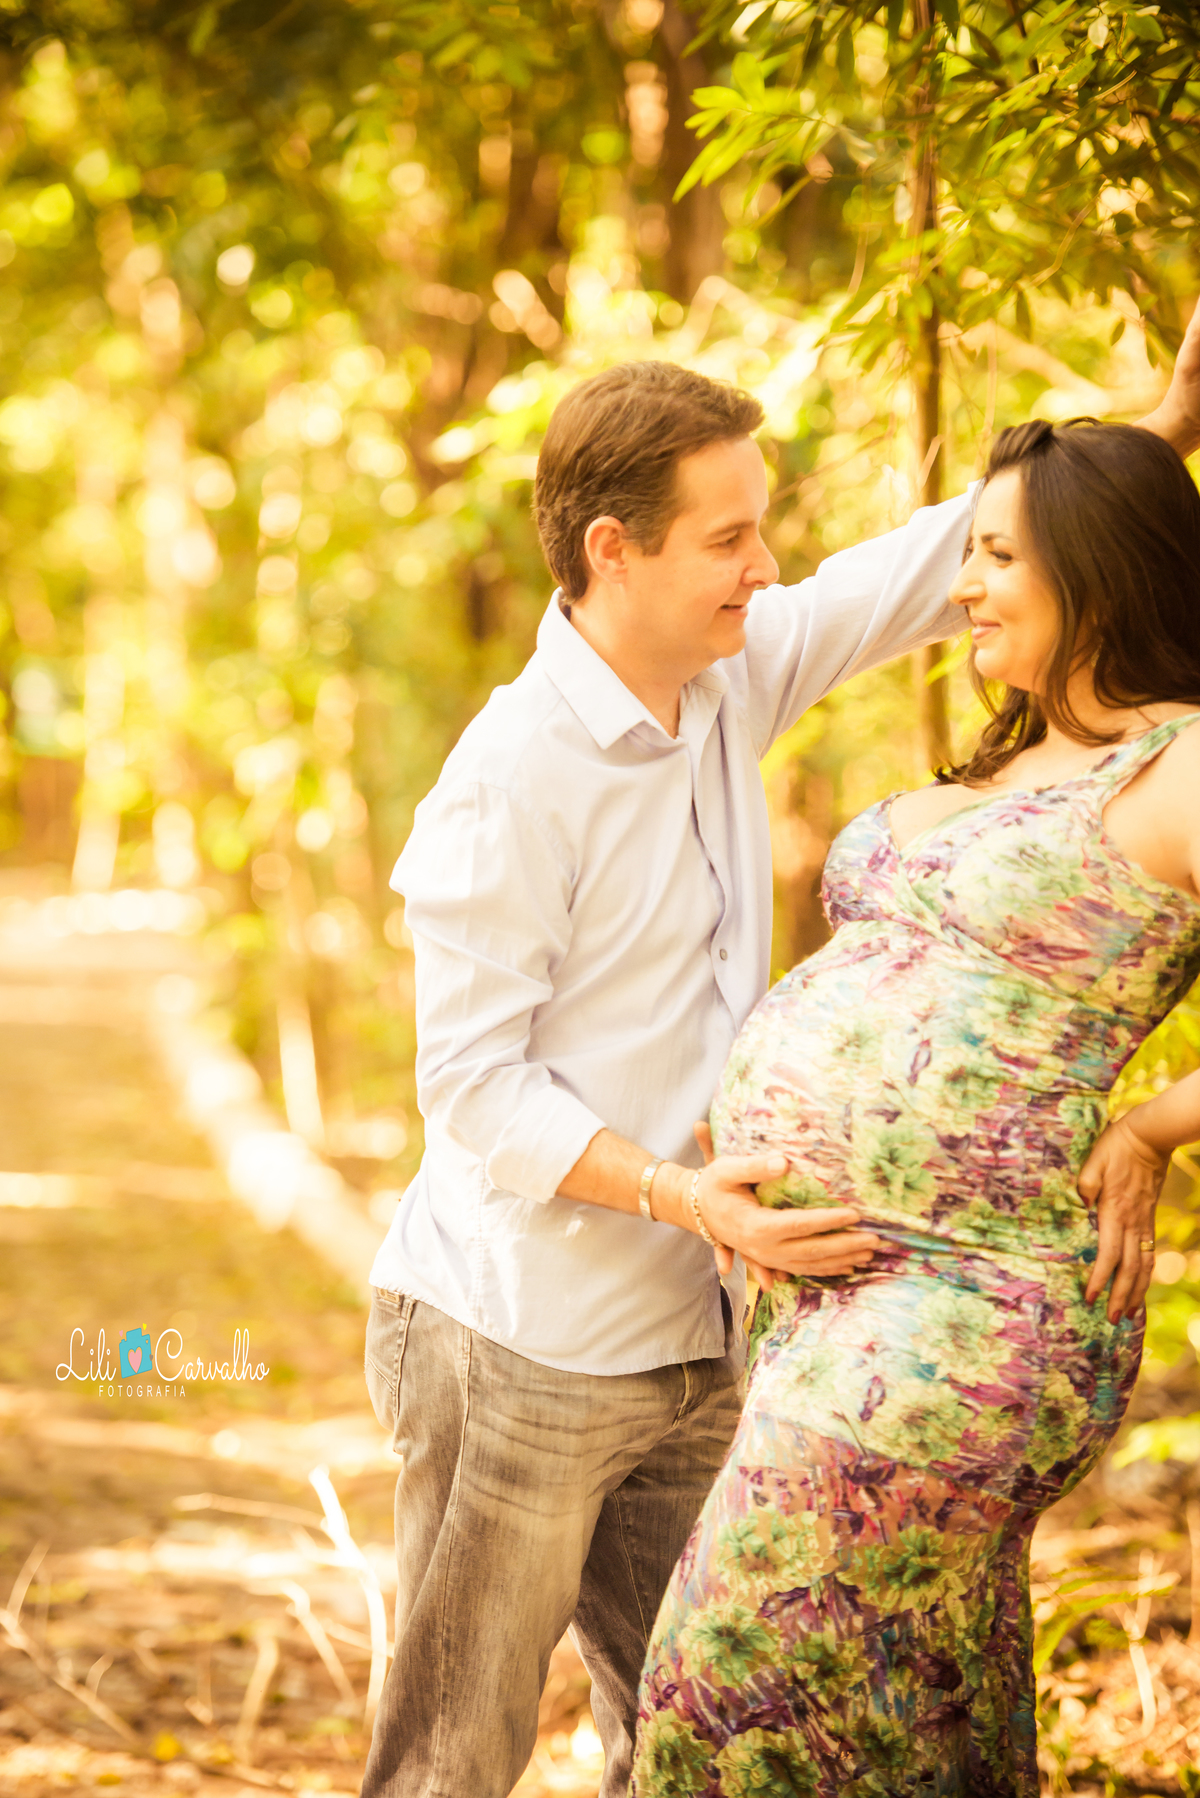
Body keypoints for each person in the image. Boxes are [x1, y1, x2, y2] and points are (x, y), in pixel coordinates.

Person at [360, 341, 1200, 1798]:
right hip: (527, 1333)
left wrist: (1163, 430)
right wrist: (697, 1200)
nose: (770, 563)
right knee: (454, 1750)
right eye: (732, 536)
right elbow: (475, 1090)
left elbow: (945, 565)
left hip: (727, 1332)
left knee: (706, 1727)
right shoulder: (511, 779)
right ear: (614, 552)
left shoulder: (727, 667)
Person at [633, 416, 1200, 1798]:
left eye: (999, 554)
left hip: (971, 1306)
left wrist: (1154, 1121)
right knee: (913, 1697)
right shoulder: (1017, 753)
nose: (966, 582)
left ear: (1102, 569)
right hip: (820, 1300)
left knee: (721, 1686)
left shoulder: (1179, 762)